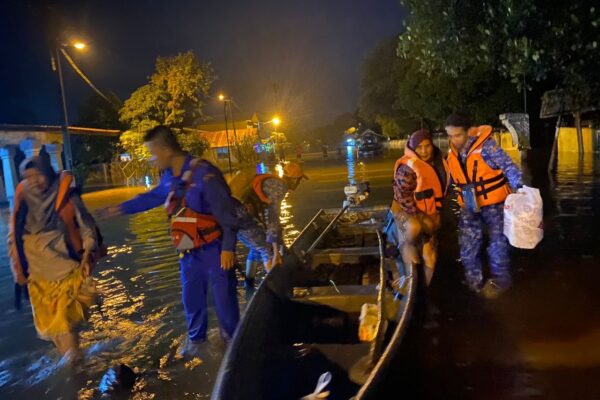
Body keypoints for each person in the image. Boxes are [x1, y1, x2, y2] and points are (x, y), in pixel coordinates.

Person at [98, 125, 241, 345]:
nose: (151, 159)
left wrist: (228, 247)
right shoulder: (169, 177)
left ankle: (233, 344)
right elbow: (152, 197)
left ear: (166, 150)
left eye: (152, 154)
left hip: (215, 248)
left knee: (225, 303)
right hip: (187, 251)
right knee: (191, 304)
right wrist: (119, 209)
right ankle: (198, 348)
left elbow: (227, 212)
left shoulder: (205, 173)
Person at [8, 156, 101, 363]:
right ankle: (76, 369)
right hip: (39, 279)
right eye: (28, 177)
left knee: (66, 327)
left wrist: (87, 253)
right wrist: (17, 269)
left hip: (66, 273)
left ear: (48, 173)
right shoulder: (23, 197)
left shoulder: (65, 194)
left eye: (38, 175)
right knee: (57, 333)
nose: (34, 181)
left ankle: (73, 378)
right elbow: (12, 235)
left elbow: (86, 227)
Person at [445, 112, 523, 299]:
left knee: (498, 243)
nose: (453, 140)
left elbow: (510, 168)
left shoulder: (487, 148)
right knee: (468, 245)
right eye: (450, 136)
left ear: (470, 131)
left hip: (495, 204)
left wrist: (521, 189)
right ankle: (474, 284)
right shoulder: (453, 152)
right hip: (470, 204)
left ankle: (500, 282)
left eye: (457, 135)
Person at [391, 129, 448, 286]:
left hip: (430, 213)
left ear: (433, 145)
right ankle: (404, 248)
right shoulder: (406, 169)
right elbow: (403, 197)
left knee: (431, 256)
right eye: (419, 147)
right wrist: (421, 218)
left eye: (427, 146)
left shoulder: (439, 164)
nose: (424, 151)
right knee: (414, 229)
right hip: (407, 212)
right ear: (413, 149)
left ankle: (424, 291)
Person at [241, 162, 308, 288]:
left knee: (257, 245)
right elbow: (273, 218)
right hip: (242, 220)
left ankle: (248, 285)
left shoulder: (273, 182)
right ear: (293, 180)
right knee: (267, 249)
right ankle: (275, 287)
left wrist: (279, 242)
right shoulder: (279, 187)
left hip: (239, 219)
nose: (299, 184)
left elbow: (265, 213)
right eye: (299, 180)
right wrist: (276, 251)